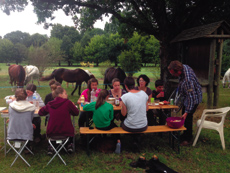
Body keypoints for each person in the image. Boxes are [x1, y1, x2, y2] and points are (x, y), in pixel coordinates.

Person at [168, 60, 202, 146]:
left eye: (174, 74)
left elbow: (191, 98)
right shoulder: (184, 67)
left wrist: (187, 112)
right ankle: (185, 134)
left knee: (188, 117)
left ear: (178, 71)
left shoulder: (188, 80)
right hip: (188, 97)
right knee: (184, 116)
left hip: (194, 98)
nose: (173, 75)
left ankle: (188, 139)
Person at [38, 87, 79, 154]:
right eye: (65, 93)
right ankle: (70, 145)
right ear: (60, 95)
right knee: (71, 127)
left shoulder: (50, 104)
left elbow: (40, 113)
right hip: (66, 132)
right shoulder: (68, 103)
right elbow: (76, 113)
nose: (67, 95)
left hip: (52, 132)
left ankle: (51, 146)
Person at [7, 88, 36, 153]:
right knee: (32, 125)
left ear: (15, 96)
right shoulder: (31, 107)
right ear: (26, 97)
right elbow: (30, 120)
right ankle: (28, 147)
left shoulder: (11, 106)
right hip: (26, 134)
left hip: (12, 133)